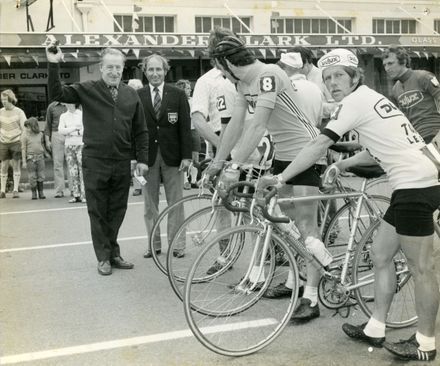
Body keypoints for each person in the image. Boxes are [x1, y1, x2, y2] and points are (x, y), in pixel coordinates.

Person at [259, 48, 439, 362]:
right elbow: (374, 150)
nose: (332, 82)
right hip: (412, 182)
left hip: (416, 185)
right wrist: (340, 167)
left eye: (339, 75)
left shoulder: (355, 102)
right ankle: (376, 327)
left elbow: (319, 143)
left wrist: (281, 177)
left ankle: (425, 342)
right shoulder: (370, 99)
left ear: (355, 76)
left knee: (422, 269)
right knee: (380, 254)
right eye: (327, 77)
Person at [206, 28, 325, 322]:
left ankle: (311, 297)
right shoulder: (242, 85)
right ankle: (294, 280)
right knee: (286, 223)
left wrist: (234, 168)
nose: (222, 76)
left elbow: (257, 126)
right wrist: (217, 162)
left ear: (228, 64)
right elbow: (236, 124)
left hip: (307, 151)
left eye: (221, 70)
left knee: (307, 225)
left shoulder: (268, 75)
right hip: (284, 156)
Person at [46, 44, 149, 276]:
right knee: (98, 211)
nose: (114, 71)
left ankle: (113, 252)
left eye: (118, 68)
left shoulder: (131, 94)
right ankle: (103, 256)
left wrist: (142, 159)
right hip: (95, 161)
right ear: (101, 68)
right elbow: (57, 94)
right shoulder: (87, 89)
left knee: (117, 210)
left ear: (123, 70)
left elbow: (140, 130)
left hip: (121, 161)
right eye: (109, 67)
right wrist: (54, 64)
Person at [137, 54, 192, 259]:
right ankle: (154, 245)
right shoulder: (138, 95)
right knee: (149, 204)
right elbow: (134, 129)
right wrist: (137, 158)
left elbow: (185, 128)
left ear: (165, 70)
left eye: (158, 69)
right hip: (147, 157)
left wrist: (187, 156)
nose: (154, 74)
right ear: (145, 72)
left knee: (176, 202)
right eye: (150, 70)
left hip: (174, 157)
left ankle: (178, 245)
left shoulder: (178, 95)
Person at [382, 45, 440, 143]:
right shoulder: (395, 89)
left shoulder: (423, 77)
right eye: (385, 65)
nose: (387, 68)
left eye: (390, 63)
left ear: (403, 62)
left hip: (434, 133)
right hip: (416, 139)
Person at [0, 89, 26, 199]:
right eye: (2, 100)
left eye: (5, 100)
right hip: (3, 142)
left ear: (11, 100)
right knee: (3, 166)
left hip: (16, 141)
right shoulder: (0, 112)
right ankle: (2, 190)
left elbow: (24, 127)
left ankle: (15, 190)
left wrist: (21, 140)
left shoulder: (19, 112)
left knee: (16, 165)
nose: (3, 102)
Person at [58, 103, 85, 203]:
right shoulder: (63, 116)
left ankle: (84, 194)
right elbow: (60, 130)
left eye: (70, 103)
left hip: (80, 144)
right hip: (68, 145)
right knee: (72, 171)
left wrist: (70, 132)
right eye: (66, 103)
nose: (67, 105)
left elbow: (84, 130)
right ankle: (76, 194)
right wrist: (74, 129)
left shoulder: (81, 114)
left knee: (82, 169)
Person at [176, 79, 200, 190]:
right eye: (187, 88)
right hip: (182, 131)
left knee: (195, 157)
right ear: (181, 89)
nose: (190, 90)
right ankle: (185, 181)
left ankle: (194, 180)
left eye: (190, 88)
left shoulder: (194, 100)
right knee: (184, 157)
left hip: (194, 130)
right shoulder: (177, 101)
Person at [44, 101, 68, 198]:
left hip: (69, 134)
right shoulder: (52, 106)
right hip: (56, 133)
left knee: (71, 162)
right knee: (58, 164)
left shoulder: (71, 105)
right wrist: (47, 140)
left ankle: (74, 189)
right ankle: (59, 190)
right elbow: (48, 124)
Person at [21, 117, 46, 200]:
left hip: (40, 157)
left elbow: (41, 144)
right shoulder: (24, 136)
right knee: (32, 176)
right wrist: (24, 161)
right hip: (30, 159)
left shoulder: (40, 134)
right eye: (26, 127)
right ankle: (34, 192)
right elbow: (23, 149)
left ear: (34, 126)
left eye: (28, 127)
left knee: (41, 175)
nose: (27, 129)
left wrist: (45, 153)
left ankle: (41, 192)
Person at [127, 78, 144, 197]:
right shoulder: (126, 101)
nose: (136, 90)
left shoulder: (146, 100)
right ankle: (138, 187)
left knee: (147, 161)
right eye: (134, 88)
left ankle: (149, 185)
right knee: (134, 162)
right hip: (131, 135)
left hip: (144, 134)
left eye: (138, 88)